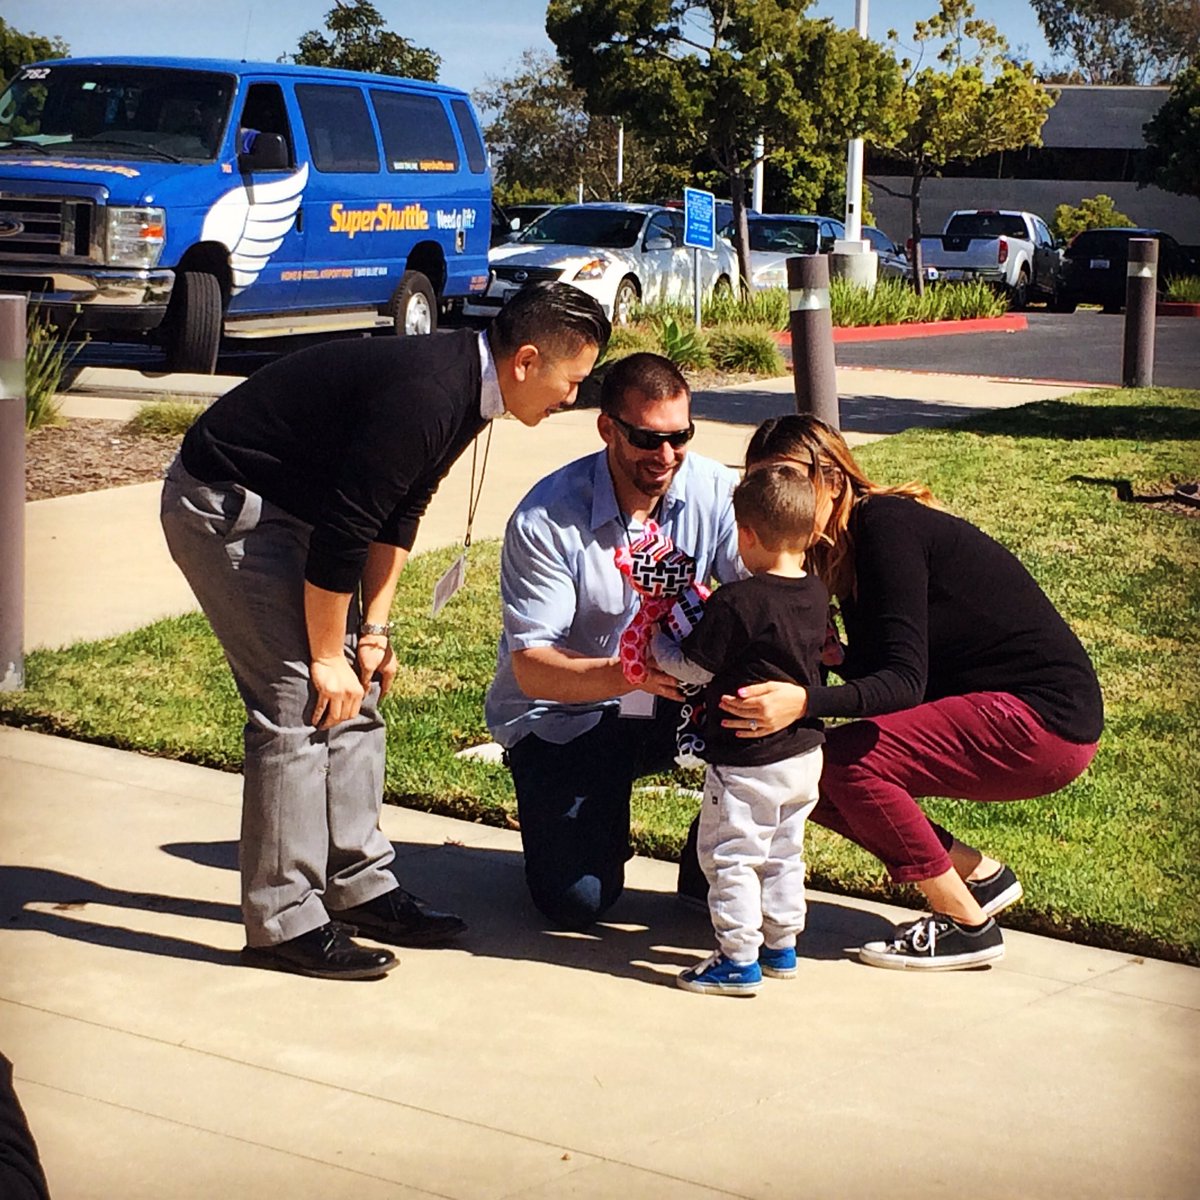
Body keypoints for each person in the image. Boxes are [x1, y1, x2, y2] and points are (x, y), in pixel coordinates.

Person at [161, 282, 611, 980]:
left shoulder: (470, 386)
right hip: (228, 507)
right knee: (297, 702)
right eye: (572, 381)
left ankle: (358, 886)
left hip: (298, 513)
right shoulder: (433, 392)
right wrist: (322, 656)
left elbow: (399, 511)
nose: (574, 399)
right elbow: (344, 534)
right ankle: (284, 922)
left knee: (358, 687)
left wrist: (372, 630)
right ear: (526, 361)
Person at [719, 414, 1104, 970]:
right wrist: (840, 661)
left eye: (788, 481)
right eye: (761, 487)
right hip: (1006, 713)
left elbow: (903, 684)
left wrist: (805, 701)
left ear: (832, 478)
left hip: (1043, 720)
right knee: (804, 773)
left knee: (843, 763)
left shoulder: (885, 527)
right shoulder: (838, 548)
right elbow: (892, 669)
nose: (775, 502)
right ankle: (979, 877)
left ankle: (968, 927)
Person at [484, 352, 743, 930]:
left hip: (676, 698)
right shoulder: (546, 518)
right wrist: (630, 673)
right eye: (649, 440)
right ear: (608, 428)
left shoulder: (714, 489)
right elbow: (532, 667)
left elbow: (762, 598)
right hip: (568, 711)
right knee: (576, 901)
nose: (668, 456)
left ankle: (711, 861)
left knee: (774, 690)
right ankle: (588, 819)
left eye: (681, 437)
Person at [651, 465, 828, 996]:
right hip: (803, 755)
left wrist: (658, 647)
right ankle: (781, 945)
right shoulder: (815, 593)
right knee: (783, 852)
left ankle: (737, 957)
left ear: (745, 535)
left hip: (748, 761)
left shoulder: (737, 600)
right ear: (810, 532)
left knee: (729, 855)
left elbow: (695, 668)